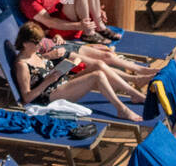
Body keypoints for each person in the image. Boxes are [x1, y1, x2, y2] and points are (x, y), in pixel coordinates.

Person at [11, 21, 143, 121]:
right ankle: (122, 109)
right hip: (49, 95)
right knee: (98, 76)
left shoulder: (34, 52)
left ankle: (134, 93)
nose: (41, 44)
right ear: (25, 43)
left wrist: (50, 58)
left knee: (99, 65)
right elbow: (27, 98)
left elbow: (41, 62)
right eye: (37, 42)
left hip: (60, 81)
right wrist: (48, 81)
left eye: (41, 40)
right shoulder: (22, 65)